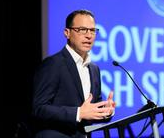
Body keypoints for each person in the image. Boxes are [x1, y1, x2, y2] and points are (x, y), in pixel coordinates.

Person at [32, 9, 116, 138]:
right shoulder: (53, 64)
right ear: (67, 33)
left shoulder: (93, 69)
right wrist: (78, 113)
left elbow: (90, 112)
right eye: (82, 30)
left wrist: (105, 111)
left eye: (92, 30)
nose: (89, 35)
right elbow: (39, 109)